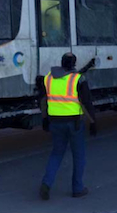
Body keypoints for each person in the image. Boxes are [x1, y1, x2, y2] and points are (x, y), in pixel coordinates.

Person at [39, 52, 97, 200]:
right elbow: (86, 103)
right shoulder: (78, 79)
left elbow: (43, 101)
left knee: (57, 153)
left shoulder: (48, 79)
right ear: (74, 63)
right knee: (79, 156)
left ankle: (46, 183)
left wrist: (45, 119)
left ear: (62, 62)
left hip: (55, 122)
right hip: (74, 123)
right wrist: (93, 122)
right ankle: (77, 188)